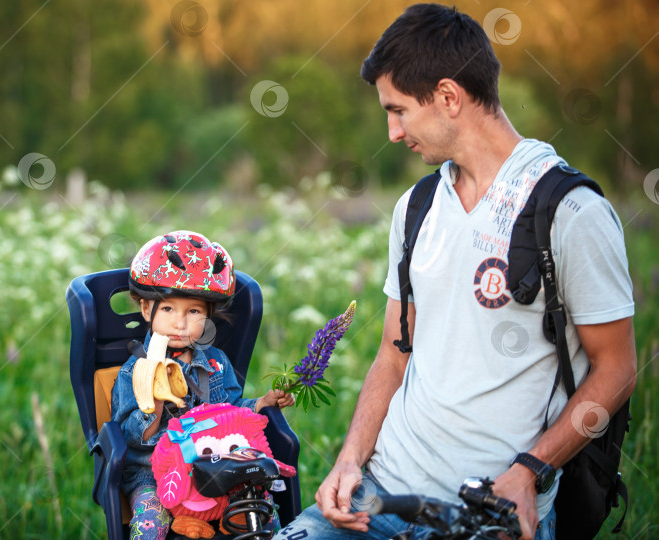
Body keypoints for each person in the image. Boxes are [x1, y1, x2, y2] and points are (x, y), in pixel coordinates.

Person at [275, 4, 636, 540]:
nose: (393, 133)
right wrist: (350, 460)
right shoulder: (416, 207)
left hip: (489, 513)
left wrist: (529, 472)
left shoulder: (569, 211)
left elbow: (618, 370)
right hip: (378, 496)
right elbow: (393, 356)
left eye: (398, 111)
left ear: (448, 97)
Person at [111, 230, 295, 540]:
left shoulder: (216, 362)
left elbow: (231, 413)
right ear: (146, 310)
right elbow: (133, 441)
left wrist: (262, 403)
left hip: (213, 466)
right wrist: (154, 400)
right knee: (150, 523)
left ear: (208, 314)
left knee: (261, 508)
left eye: (193, 311)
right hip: (153, 475)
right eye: (167, 309)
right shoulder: (134, 372)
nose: (179, 323)